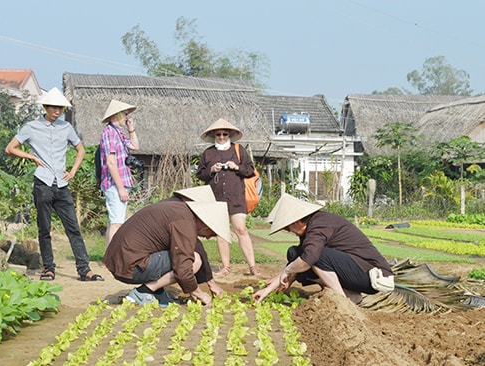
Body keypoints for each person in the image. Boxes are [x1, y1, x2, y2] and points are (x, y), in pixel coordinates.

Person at [5, 87, 103, 282]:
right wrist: (30, 156)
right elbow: (10, 148)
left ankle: (84, 269)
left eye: (60, 108)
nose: (57, 111)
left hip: (61, 184)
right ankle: (48, 268)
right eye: (54, 108)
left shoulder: (66, 127)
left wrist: (73, 171)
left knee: (73, 227)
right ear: (45, 107)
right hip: (42, 182)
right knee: (44, 228)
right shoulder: (31, 127)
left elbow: (80, 150)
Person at [253, 193, 394, 304]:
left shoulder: (320, 224)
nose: (290, 232)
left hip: (372, 275)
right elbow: (299, 260)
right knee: (295, 253)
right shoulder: (312, 227)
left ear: (296, 222)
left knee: (317, 256)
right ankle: (349, 295)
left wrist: (287, 271)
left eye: (288, 228)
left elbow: (309, 258)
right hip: (355, 270)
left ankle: (342, 301)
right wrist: (270, 289)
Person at [103, 199, 230, 306]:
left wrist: (210, 282)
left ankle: (157, 292)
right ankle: (143, 292)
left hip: (122, 260)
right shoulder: (183, 222)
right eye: (211, 233)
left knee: (184, 252)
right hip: (129, 267)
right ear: (206, 224)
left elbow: (197, 246)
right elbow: (183, 270)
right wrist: (200, 294)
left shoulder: (180, 210)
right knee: (194, 261)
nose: (208, 237)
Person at [196, 118, 261, 276]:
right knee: (221, 232)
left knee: (241, 229)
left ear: (230, 134)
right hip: (216, 198)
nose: (222, 136)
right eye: (218, 134)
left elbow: (250, 171)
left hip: (236, 197)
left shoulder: (239, 150)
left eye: (225, 134)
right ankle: (225, 267)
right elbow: (201, 175)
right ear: (213, 135)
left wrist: (236, 167)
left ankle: (252, 266)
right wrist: (211, 169)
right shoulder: (208, 153)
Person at [99, 100, 140, 244]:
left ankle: (110, 256)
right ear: (115, 115)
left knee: (116, 220)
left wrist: (131, 129)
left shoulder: (118, 133)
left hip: (121, 182)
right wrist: (121, 188)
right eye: (125, 114)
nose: (127, 117)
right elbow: (111, 163)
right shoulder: (109, 133)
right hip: (114, 183)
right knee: (117, 222)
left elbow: (135, 146)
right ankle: (112, 257)